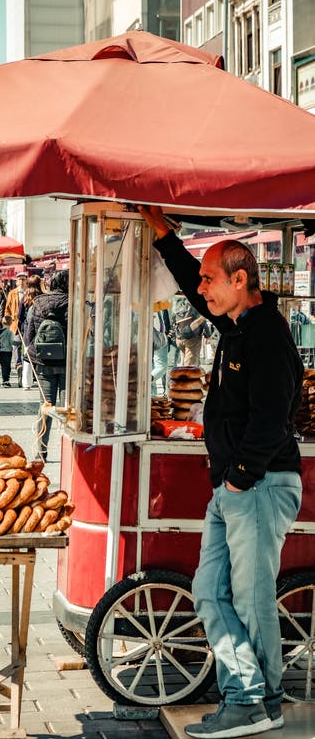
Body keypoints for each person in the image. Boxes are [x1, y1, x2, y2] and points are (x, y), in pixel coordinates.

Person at [138, 205, 303, 739]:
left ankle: (252, 701)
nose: (203, 289)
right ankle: (257, 697)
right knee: (211, 591)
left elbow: (271, 419)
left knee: (252, 601)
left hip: (256, 485)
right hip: (234, 488)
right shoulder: (236, 323)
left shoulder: (268, 335)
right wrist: (166, 238)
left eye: (213, 279)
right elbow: (193, 285)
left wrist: (237, 477)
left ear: (240, 280)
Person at [25, 270, 68, 462]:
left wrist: (32, 355)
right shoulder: (73, 303)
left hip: (43, 362)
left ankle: (41, 450)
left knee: (45, 406)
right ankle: (71, 447)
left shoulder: (38, 302)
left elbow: (30, 333)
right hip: (68, 362)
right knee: (69, 408)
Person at [22, 274, 47, 390]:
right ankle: (41, 378)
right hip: (41, 328)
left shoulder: (26, 296)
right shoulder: (43, 296)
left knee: (28, 357)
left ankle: (26, 383)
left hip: (28, 330)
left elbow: (19, 315)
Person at [4, 271, 28, 386]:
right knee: (16, 345)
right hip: (15, 323)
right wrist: (8, 323)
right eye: (19, 279)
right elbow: (7, 309)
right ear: (16, 281)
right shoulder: (12, 293)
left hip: (27, 323)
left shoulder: (29, 293)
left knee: (27, 346)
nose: (21, 281)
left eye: (23, 279)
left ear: (26, 280)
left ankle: (26, 367)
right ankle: (19, 365)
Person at [172, 297, 206, 366]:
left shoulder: (177, 300)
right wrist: (208, 334)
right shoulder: (196, 301)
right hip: (192, 338)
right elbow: (202, 319)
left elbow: (173, 318)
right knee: (190, 366)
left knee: (187, 362)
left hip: (179, 336)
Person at [0, 315, 15, 387]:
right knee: (7, 366)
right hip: (7, 351)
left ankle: (4, 380)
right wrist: (19, 342)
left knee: (3, 366)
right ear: (11, 323)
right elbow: (12, 342)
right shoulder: (9, 332)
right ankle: (6, 381)